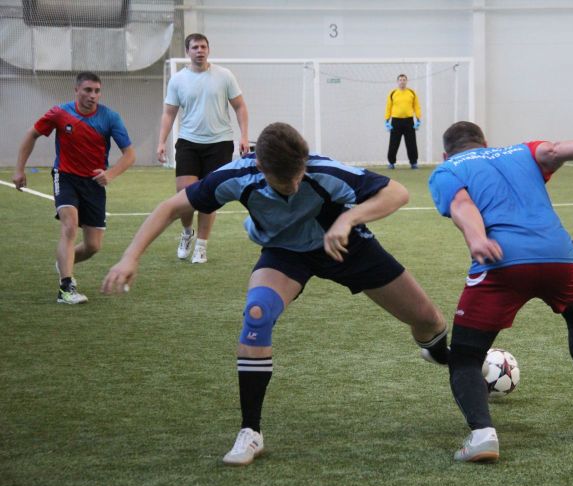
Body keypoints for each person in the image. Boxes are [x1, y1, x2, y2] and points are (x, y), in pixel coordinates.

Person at [102, 122, 450, 466]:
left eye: (297, 176)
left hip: (345, 247)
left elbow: (396, 192)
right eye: (283, 181)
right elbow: (170, 207)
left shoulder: (323, 170)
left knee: (427, 320)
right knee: (257, 314)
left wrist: (348, 220)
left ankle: (443, 356)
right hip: (285, 253)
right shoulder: (237, 175)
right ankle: (250, 431)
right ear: (260, 166)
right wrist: (130, 257)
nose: (293, 186)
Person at [428, 121, 573, 463]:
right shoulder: (521, 151)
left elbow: (462, 204)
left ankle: (483, 436)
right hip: (560, 255)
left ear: (446, 153)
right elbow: (557, 150)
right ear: (486, 142)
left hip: (503, 261)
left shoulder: (447, 170)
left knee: (466, 357)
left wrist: (477, 238)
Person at [12, 71, 135, 305]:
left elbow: (129, 154)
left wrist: (110, 174)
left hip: (94, 183)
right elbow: (32, 134)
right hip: (65, 176)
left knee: (93, 246)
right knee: (69, 226)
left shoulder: (110, 117)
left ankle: (64, 263)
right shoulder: (60, 113)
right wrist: (19, 169)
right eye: (88, 90)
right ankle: (66, 287)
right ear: (76, 90)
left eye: (97, 91)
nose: (93, 95)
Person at [157, 32, 249, 264]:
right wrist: (161, 142)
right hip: (188, 142)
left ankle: (201, 246)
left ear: (208, 49)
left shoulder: (224, 75)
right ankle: (187, 232)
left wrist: (244, 136)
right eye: (195, 47)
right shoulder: (178, 80)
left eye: (203, 47)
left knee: (209, 196)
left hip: (220, 143)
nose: (200, 51)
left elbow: (240, 106)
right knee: (185, 193)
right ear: (188, 51)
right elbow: (169, 113)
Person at [384, 74, 422, 170]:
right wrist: (387, 121)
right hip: (396, 121)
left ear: (406, 81)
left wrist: (418, 119)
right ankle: (391, 163)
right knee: (393, 143)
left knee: (411, 143)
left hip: (409, 121)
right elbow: (388, 107)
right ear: (397, 82)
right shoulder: (393, 93)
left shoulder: (411, 93)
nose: (402, 81)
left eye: (404, 80)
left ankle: (413, 163)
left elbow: (416, 107)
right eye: (400, 80)